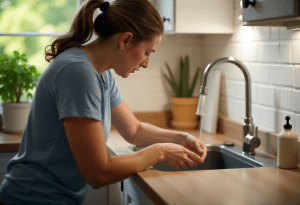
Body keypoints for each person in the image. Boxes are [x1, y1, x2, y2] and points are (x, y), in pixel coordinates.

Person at [0, 0, 207, 204]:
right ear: (125, 40)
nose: (146, 63)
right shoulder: (78, 73)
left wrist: (180, 138)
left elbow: (133, 130)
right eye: (147, 52)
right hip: (32, 198)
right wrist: (160, 151)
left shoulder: (100, 74)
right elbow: (99, 172)